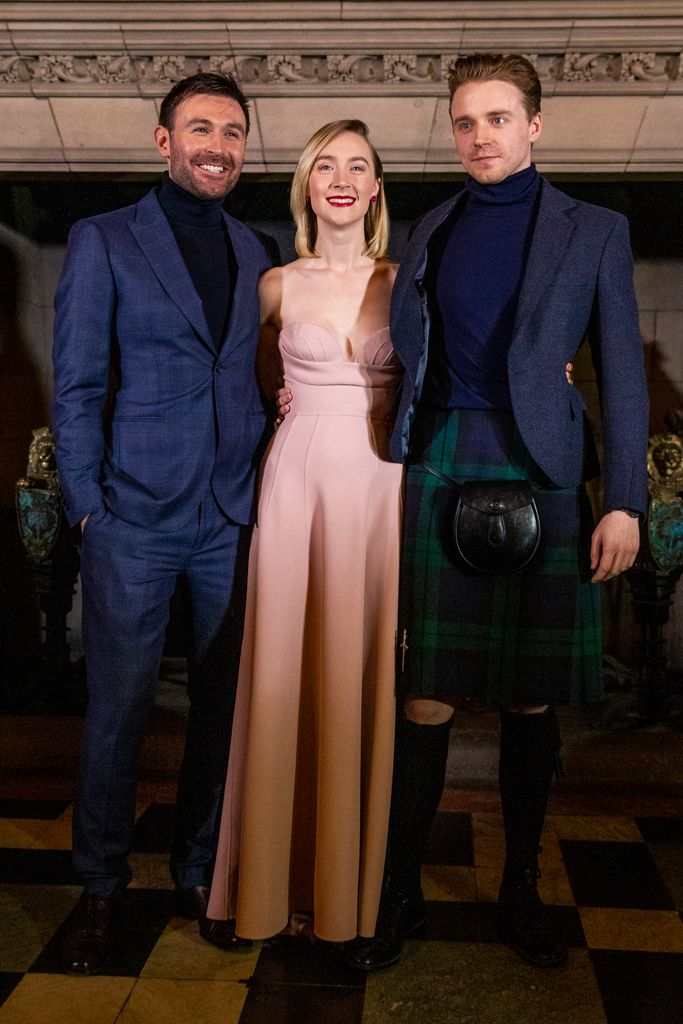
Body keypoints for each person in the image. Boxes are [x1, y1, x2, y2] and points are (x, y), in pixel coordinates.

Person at [345, 53, 649, 971]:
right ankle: (398, 895)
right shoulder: (430, 228)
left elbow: (625, 373)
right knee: (424, 697)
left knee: (527, 698)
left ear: (533, 125)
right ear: (454, 130)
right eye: (465, 121)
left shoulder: (593, 229)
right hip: (438, 459)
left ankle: (520, 885)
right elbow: (402, 353)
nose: (480, 136)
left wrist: (625, 501)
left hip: (545, 468)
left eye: (498, 118)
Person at [51, 72, 279, 975]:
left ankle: (197, 871)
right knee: (117, 714)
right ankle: (100, 889)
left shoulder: (259, 249)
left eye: (230, 131)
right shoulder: (103, 240)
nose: (216, 145)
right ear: (163, 141)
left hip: (231, 515)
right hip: (132, 520)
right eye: (199, 129)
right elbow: (75, 387)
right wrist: (87, 510)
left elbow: (269, 372)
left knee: (222, 714)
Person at [206, 120, 403, 945]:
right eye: (326, 164)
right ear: (306, 184)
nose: (342, 178)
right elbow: (247, 380)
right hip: (294, 485)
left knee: (361, 671)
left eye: (357, 165)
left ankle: (348, 893)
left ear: (375, 187)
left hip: (377, 484)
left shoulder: (405, 278)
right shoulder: (275, 284)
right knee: (284, 669)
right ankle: (266, 888)